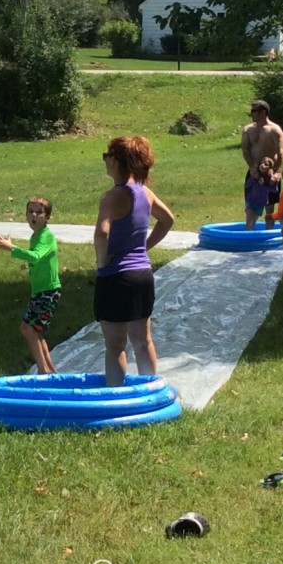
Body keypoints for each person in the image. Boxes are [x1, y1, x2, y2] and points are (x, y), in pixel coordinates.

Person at [94, 136, 175, 387]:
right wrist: (144, 247)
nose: (105, 160)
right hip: (142, 274)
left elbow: (102, 232)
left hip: (116, 277)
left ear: (116, 161)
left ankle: (115, 401)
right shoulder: (145, 192)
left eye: (106, 155)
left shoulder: (112, 196)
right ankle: (151, 391)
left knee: (116, 346)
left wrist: (101, 260)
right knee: (143, 341)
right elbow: (168, 220)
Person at [0, 196, 61, 375]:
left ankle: (43, 371)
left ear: (47, 217)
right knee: (34, 330)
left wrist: (11, 248)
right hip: (40, 291)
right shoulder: (36, 236)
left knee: (28, 328)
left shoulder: (46, 236)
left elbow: (35, 256)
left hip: (48, 291)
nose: (34, 215)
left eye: (39, 212)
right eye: (30, 211)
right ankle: (49, 371)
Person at [241, 100, 283, 226]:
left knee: (269, 209)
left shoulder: (274, 130)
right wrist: (252, 167)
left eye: (254, 111)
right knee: (250, 207)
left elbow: (280, 152)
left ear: (263, 112)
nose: (252, 114)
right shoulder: (248, 129)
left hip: (270, 173)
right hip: (254, 172)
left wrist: (277, 172)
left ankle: (269, 238)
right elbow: (245, 150)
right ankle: (249, 236)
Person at [244, 156, 276, 230]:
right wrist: (255, 179)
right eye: (261, 163)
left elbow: (274, 190)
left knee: (253, 222)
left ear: (269, 168)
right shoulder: (255, 175)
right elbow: (247, 185)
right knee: (249, 222)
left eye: (266, 164)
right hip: (251, 201)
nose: (262, 165)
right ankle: (246, 239)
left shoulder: (268, 179)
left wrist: (272, 183)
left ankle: (251, 238)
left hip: (260, 204)